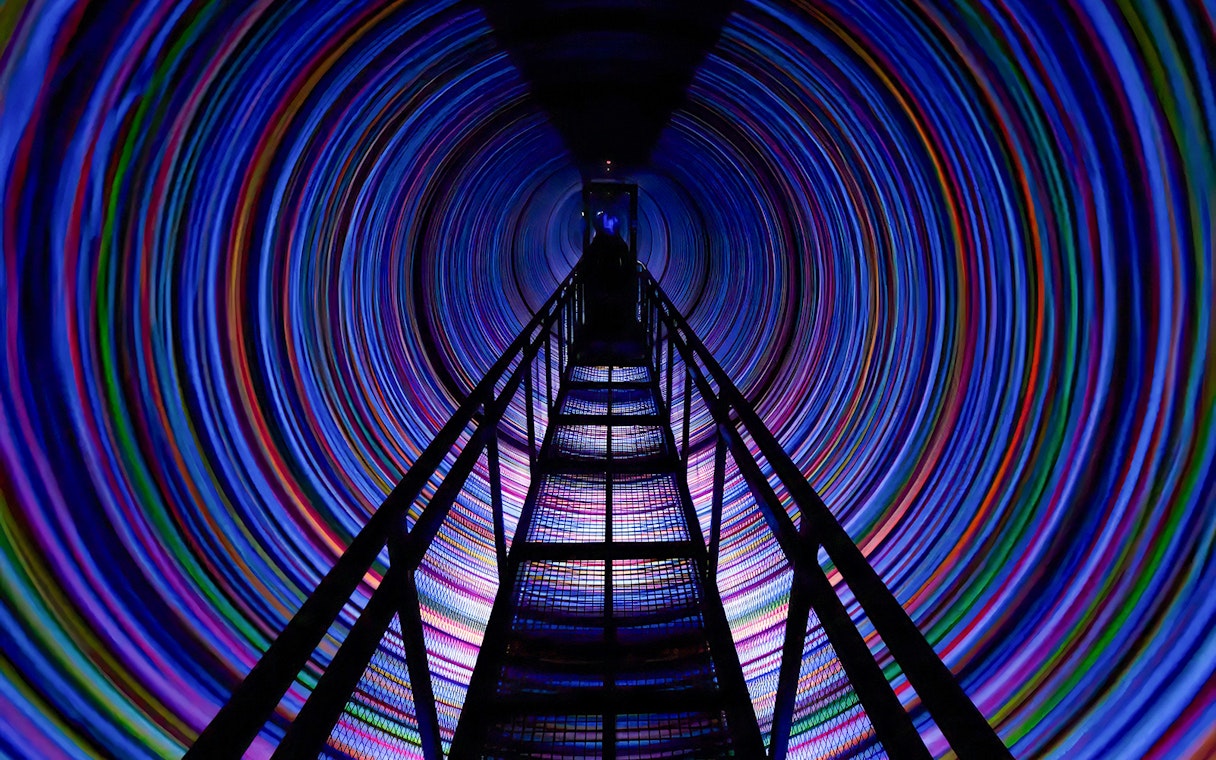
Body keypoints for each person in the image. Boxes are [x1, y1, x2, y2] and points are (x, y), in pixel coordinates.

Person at [583, 213, 637, 343]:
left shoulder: (599, 241)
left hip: (602, 277)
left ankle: (602, 329)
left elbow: (589, 258)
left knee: (604, 305)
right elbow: (626, 259)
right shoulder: (617, 241)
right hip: (613, 277)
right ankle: (614, 329)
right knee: (612, 304)